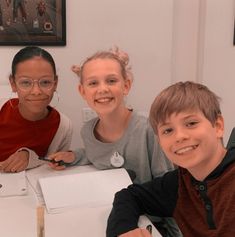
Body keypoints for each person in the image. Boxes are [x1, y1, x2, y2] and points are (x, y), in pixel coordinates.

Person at [106, 81, 235, 237]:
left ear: (218, 126)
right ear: (160, 141)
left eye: (191, 123)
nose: (179, 136)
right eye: (168, 130)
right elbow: (129, 196)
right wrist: (124, 231)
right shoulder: (179, 184)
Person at [49, 47, 174, 184]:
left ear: (126, 86)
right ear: (82, 91)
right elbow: (96, 154)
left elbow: (167, 182)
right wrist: (73, 156)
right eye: (93, 83)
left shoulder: (150, 129)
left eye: (111, 81)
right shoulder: (87, 132)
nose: (102, 89)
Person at [0, 46, 72, 173]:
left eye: (45, 82)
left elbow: (54, 169)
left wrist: (30, 157)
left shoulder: (64, 126)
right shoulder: (2, 111)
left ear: (55, 83)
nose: (36, 92)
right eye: (26, 83)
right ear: (13, 83)